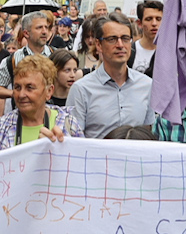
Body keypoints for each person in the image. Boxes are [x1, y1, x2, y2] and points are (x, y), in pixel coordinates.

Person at [66, 10, 154, 138]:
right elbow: (73, 141)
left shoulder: (146, 85)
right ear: (99, 45)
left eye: (125, 39)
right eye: (112, 39)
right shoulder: (81, 90)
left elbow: (147, 134)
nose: (120, 45)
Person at [0, 54, 83, 155]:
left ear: (49, 91)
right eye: (17, 87)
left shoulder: (68, 124)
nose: (21, 94)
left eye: (29, 88)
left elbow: (83, 166)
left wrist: (62, 150)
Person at [0, 12, 56, 106]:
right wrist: (18, 94)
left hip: (53, 115)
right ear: (26, 33)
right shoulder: (13, 59)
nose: (44, 31)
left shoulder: (56, 55)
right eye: (39, 28)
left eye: (46, 27)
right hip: (22, 115)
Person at [132, 0, 164, 74]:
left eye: (158, 19)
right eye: (149, 19)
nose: (154, 23)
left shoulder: (171, 53)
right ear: (139, 23)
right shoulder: (130, 52)